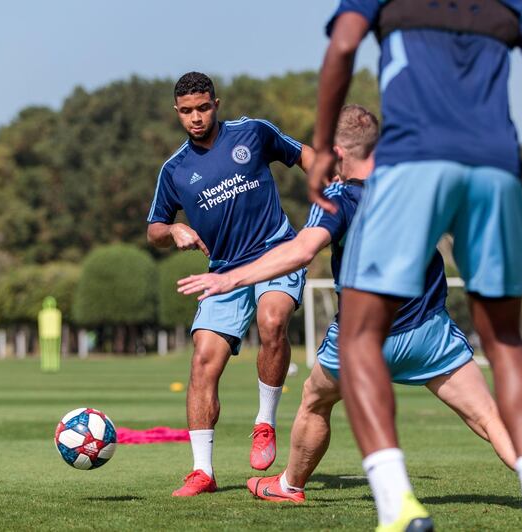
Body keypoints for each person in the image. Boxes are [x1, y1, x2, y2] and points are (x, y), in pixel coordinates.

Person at [178, 105, 522, 515]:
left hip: (361, 344)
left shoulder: (337, 198)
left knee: (314, 402)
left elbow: (300, 251)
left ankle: (289, 484)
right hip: (427, 334)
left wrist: (230, 278)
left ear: (337, 152)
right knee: (488, 415)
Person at [307, 2, 522, 530]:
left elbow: (343, 45)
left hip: (413, 162)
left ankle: (398, 505)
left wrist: (324, 145)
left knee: (359, 335)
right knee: (505, 341)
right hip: (496, 168)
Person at [147, 72, 315, 497]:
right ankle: (202, 472)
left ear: (216, 104)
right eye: (187, 111)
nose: (196, 118)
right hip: (223, 271)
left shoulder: (253, 132)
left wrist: (340, 189)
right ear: (177, 113)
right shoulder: (175, 170)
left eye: (203, 108)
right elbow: (154, 228)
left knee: (273, 320)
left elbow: (304, 156)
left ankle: (264, 422)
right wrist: (174, 230)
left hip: (277, 252)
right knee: (204, 358)